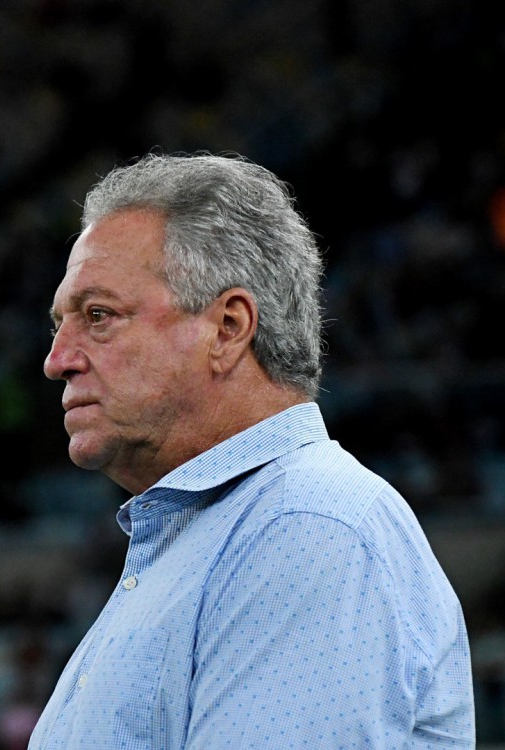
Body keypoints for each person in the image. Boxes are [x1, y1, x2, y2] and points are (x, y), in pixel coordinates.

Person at [33, 152, 474, 748]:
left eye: (98, 315)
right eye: (59, 323)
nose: (57, 360)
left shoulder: (307, 527)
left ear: (230, 327)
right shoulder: (231, 532)